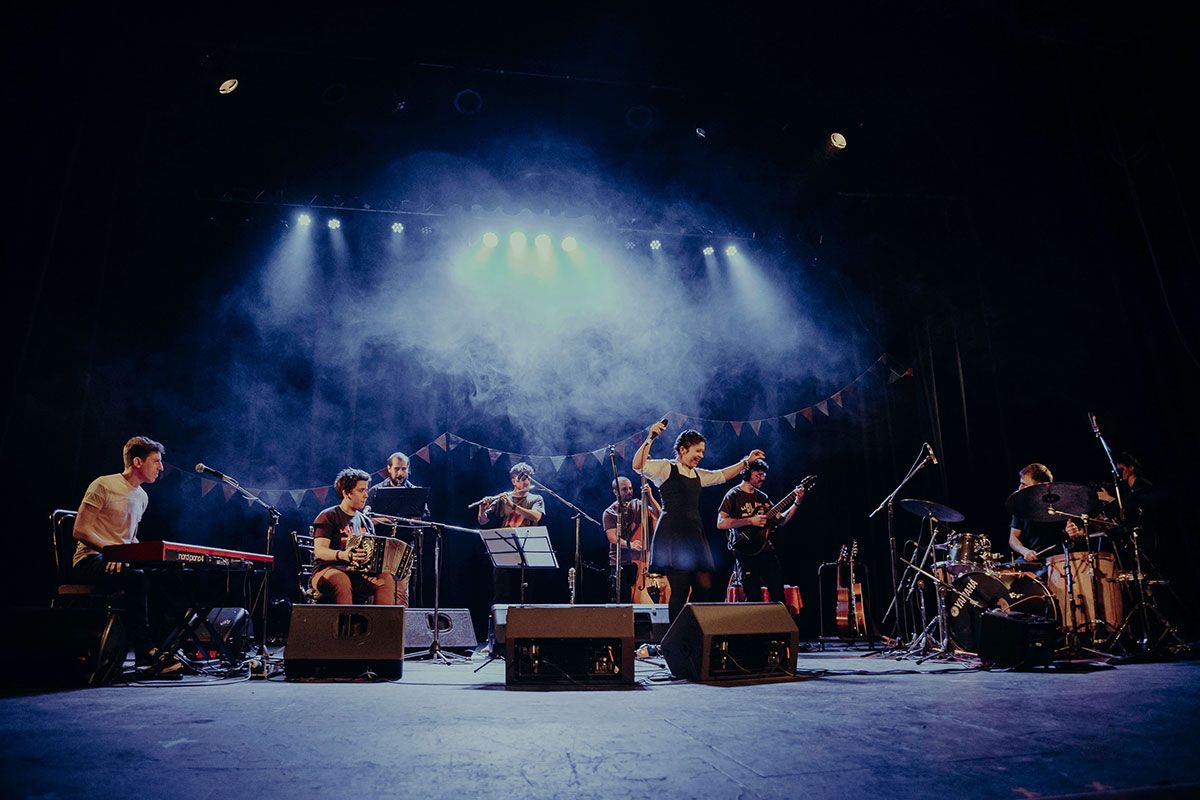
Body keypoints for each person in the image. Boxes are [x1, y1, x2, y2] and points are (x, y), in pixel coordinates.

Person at [632, 420, 765, 621]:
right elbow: (638, 465)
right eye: (697, 451)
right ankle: (675, 637)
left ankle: (689, 627)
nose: (701, 456)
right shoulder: (667, 468)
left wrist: (746, 461)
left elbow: (721, 475)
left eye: (702, 451)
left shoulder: (697, 474)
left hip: (694, 535)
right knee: (680, 588)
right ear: (683, 450)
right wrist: (651, 436)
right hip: (673, 536)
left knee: (705, 586)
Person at [71, 436, 176, 670]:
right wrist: (113, 554)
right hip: (90, 559)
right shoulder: (104, 485)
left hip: (119, 559)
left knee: (165, 575)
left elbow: (130, 538)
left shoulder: (142, 496)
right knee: (136, 578)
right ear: (137, 462)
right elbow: (80, 530)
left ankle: (161, 647)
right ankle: (145, 653)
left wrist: (143, 555)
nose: (160, 467)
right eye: (156, 461)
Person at [475, 462, 545, 654]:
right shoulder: (502, 498)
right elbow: (483, 521)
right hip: (504, 552)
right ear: (514, 480)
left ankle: (524, 642)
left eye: (528, 478)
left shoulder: (535, 498)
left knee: (525, 598)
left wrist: (513, 505)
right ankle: (497, 643)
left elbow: (536, 517)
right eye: (522, 478)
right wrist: (482, 508)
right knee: (501, 597)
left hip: (527, 553)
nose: (526, 481)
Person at [716, 458, 805, 605]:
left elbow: (781, 520)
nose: (762, 478)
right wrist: (750, 521)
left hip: (765, 549)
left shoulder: (762, 497)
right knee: (752, 594)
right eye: (758, 475)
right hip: (745, 551)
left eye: (764, 475)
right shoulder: (733, 495)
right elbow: (721, 523)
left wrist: (797, 502)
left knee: (778, 592)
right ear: (746, 473)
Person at [310, 468, 396, 605]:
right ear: (346, 493)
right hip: (326, 571)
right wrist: (344, 555)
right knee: (341, 580)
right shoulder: (328, 516)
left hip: (356, 574)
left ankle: (381, 625)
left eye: (366, 490)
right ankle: (345, 625)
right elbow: (320, 551)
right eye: (361, 490)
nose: (366, 495)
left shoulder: (366, 521)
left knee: (386, 578)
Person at [367, 451, 429, 605]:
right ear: (388, 469)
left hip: (405, 546)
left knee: (400, 591)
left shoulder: (415, 492)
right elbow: (363, 519)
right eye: (396, 469)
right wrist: (380, 520)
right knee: (379, 590)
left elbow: (426, 516)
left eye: (403, 469)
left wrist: (414, 519)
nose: (400, 473)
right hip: (380, 547)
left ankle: (400, 626)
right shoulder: (375, 491)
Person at [1008, 462, 1086, 564]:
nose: (1020, 488)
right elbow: (1013, 538)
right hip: (1031, 562)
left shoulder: (1063, 505)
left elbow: (1083, 535)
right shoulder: (1021, 506)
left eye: (1024, 484)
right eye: (1020, 483)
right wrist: (1025, 551)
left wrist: (1075, 534)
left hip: (1058, 562)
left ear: (1041, 486)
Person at [602, 476, 662, 602]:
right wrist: (630, 544)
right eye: (624, 489)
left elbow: (659, 515)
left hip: (641, 562)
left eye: (630, 488)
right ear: (616, 492)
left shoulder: (639, 505)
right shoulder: (610, 512)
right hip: (621, 563)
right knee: (623, 600)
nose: (629, 491)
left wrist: (650, 497)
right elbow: (612, 537)